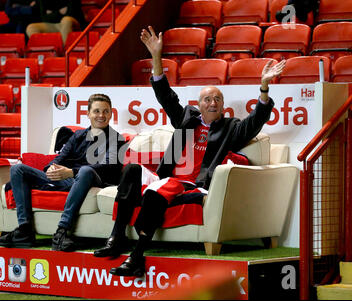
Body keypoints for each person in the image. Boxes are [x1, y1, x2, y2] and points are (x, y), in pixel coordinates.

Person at [93, 26, 286, 277]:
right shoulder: (186, 118)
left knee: (156, 193)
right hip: (167, 176)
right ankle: (116, 238)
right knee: (130, 170)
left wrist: (263, 87)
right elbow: (165, 95)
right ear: (198, 105)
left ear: (223, 106)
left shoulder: (231, 128)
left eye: (217, 99)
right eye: (207, 99)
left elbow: (256, 120)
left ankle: (137, 256)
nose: (212, 103)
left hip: (192, 183)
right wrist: (156, 57)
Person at [0, 93, 127, 251]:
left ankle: (61, 232)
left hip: (90, 179)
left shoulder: (116, 139)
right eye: (97, 111)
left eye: (106, 111)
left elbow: (109, 167)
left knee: (85, 171)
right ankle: (24, 230)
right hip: (65, 179)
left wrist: (71, 172)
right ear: (88, 114)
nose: (101, 115)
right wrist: (51, 169)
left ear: (111, 114)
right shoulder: (77, 136)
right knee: (18, 169)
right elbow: (58, 158)